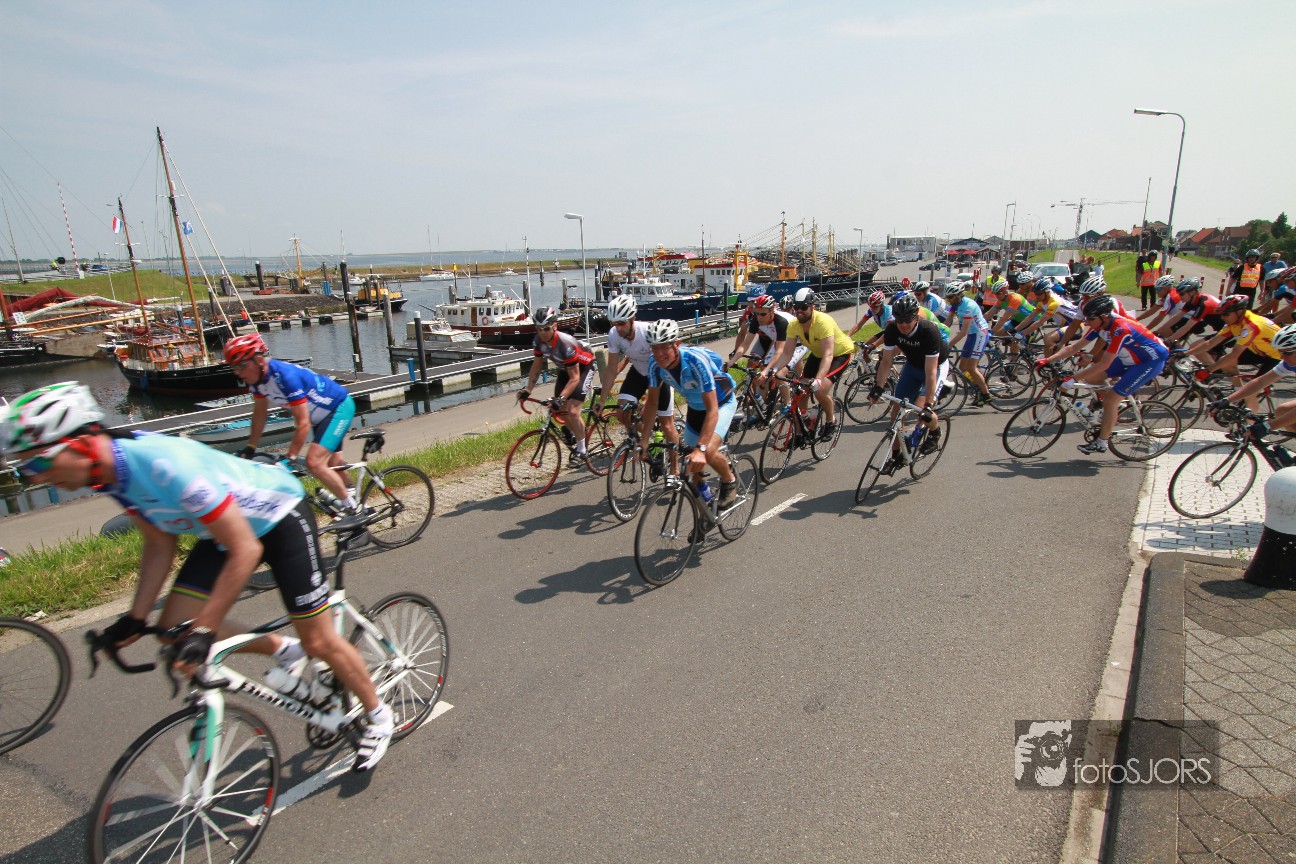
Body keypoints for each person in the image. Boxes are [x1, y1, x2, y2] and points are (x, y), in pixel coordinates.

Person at [2, 382, 394, 772]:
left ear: (80, 443)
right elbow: (159, 542)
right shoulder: (111, 474)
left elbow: (246, 550)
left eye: (37, 465)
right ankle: (282, 650)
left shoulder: (161, 464)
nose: (35, 479)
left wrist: (205, 630)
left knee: (318, 640)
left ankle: (377, 715)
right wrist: (136, 618)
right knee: (173, 628)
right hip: (223, 530)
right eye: (25, 470)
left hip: (279, 517)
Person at [223, 333, 359, 515]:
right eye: (234, 367)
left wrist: (291, 457)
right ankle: (353, 493)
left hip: (338, 408)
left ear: (259, 360)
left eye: (241, 366)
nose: (237, 372)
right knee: (333, 464)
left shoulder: (285, 377)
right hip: (320, 416)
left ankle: (353, 508)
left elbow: (302, 424)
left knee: (314, 463)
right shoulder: (257, 381)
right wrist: (251, 446)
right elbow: (260, 413)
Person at [1039, 295, 1169, 456]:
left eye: (1090, 319)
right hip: (1131, 357)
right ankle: (1113, 408)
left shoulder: (1120, 329)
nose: (1087, 323)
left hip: (1149, 362)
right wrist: (1047, 360)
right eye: (1086, 318)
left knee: (1110, 400)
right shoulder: (1100, 324)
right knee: (1092, 378)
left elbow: (1104, 364)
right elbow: (1074, 347)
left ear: (1104, 316)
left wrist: (1073, 379)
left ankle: (1101, 442)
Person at [637, 319, 738, 511]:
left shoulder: (694, 361)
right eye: (654, 348)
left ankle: (729, 479)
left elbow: (712, 409)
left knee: (707, 451)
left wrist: (701, 449)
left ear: (676, 344)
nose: (659, 354)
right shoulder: (654, 364)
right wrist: (644, 441)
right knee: (691, 466)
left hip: (721, 403)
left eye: (664, 347)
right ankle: (707, 509)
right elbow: (652, 403)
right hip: (695, 408)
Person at [762, 287, 855, 442]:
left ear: (813, 307)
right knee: (801, 390)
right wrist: (776, 370)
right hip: (818, 355)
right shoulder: (793, 325)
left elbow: (828, 355)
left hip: (838, 354)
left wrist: (818, 380)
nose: (799, 311)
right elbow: (787, 353)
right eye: (796, 307)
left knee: (820, 389)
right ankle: (805, 421)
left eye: (803, 307)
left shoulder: (823, 322)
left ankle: (831, 421)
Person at [868, 292, 948, 471]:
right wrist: (878, 387)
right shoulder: (892, 329)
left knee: (922, 411)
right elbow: (886, 361)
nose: (903, 324)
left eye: (907, 320)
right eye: (900, 320)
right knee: (896, 414)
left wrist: (929, 403)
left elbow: (930, 371)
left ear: (916, 317)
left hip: (935, 367)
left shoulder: (929, 331)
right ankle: (897, 455)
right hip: (913, 366)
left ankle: (935, 432)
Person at [598, 294, 680, 449]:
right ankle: (646, 440)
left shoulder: (647, 333)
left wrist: (649, 399)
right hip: (639, 372)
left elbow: (662, 365)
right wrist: (602, 401)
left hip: (660, 374)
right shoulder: (614, 335)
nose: (618, 328)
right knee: (621, 413)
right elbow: (611, 369)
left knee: (667, 426)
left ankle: (674, 462)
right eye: (614, 323)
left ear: (633, 318)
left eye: (622, 323)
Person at [518, 306, 595, 459]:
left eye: (546, 328)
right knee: (559, 411)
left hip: (584, 368)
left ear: (554, 326)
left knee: (572, 410)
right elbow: (537, 366)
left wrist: (560, 398)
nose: (542, 332)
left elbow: (575, 378)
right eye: (538, 329)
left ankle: (582, 450)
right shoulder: (538, 341)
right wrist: (528, 390)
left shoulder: (565, 344)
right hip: (565, 369)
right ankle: (576, 431)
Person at [1186, 295, 1283, 409]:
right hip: (1260, 350)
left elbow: (1234, 355)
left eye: (1226, 314)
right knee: (1227, 363)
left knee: (1251, 390)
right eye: (1221, 314)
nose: (1222, 317)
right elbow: (1210, 343)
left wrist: (1208, 370)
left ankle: (1252, 418)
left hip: (1278, 356)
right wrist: (1185, 353)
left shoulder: (1251, 325)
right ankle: (1238, 394)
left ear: (1240, 312)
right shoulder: (1234, 323)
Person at [1209, 323, 1296, 440]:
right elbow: (1260, 382)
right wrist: (1227, 400)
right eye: (1281, 352)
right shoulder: (1288, 363)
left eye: (1287, 353)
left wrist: (1268, 426)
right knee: (1282, 411)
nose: (1282, 357)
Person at [729, 293, 804, 408]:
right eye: (757, 313)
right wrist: (731, 362)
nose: (759, 317)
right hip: (780, 342)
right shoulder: (756, 320)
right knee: (763, 374)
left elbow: (780, 351)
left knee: (778, 374)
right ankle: (759, 410)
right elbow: (745, 344)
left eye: (763, 314)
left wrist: (769, 370)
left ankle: (788, 405)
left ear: (772, 311)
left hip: (798, 344)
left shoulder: (781, 322)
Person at [944, 281, 995, 407]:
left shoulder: (969, 306)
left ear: (959, 295)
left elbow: (963, 333)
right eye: (947, 297)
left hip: (979, 334)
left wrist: (948, 345)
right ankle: (978, 385)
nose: (949, 300)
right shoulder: (955, 304)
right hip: (972, 335)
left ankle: (986, 393)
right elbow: (947, 323)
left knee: (971, 368)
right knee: (962, 367)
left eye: (951, 297)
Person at [1162, 279, 1224, 344]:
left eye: (1182, 294)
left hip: (1228, 331)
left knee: (1195, 347)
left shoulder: (1203, 304)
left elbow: (1187, 327)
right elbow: (1177, 317)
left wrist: (1169, 341)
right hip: (1222, 329)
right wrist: (1157, 332)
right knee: (1176, 340)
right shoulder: (1193, 300)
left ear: (1192, 292)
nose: (1180, 297)